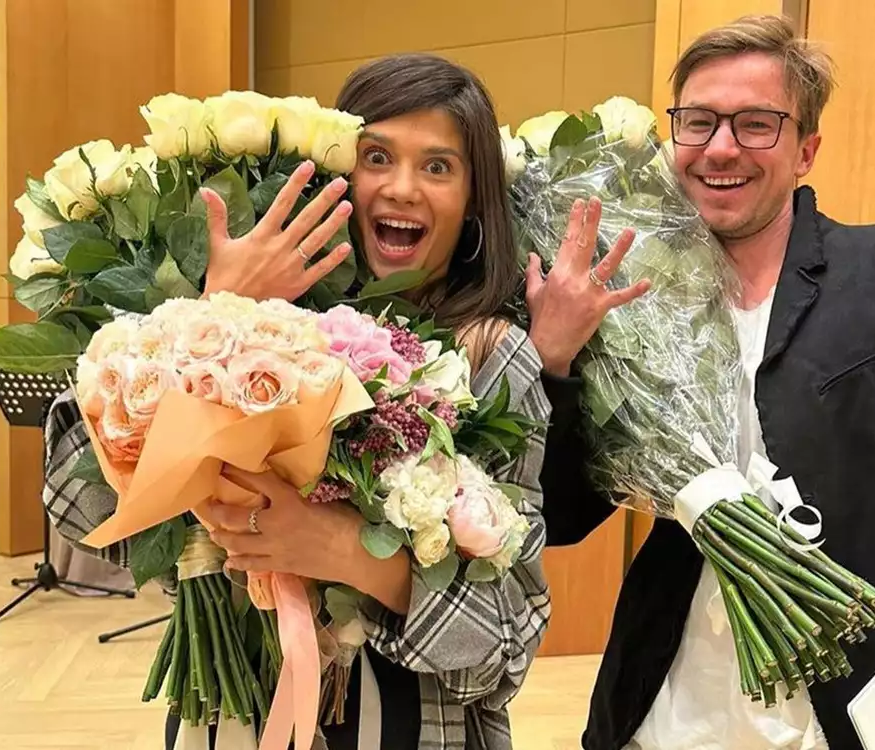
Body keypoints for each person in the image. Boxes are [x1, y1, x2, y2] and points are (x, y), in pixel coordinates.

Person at [526, 14, 875, 750]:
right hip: (663, 716)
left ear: (806, 149)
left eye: (757, 124)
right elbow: (561, 518)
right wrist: (554, 361)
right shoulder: (628, 299)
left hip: (860, 713)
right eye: (698, 121)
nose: (721, 148)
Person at [43, 53, 553, 750]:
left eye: (438, 167)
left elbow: (506, 643)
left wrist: (351, 555)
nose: (402, 188)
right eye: (377, 157)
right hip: (232, 718)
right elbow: (78, 508)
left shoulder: (492, 357)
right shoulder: (248, 317)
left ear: (473, 203)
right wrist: (207, 315)